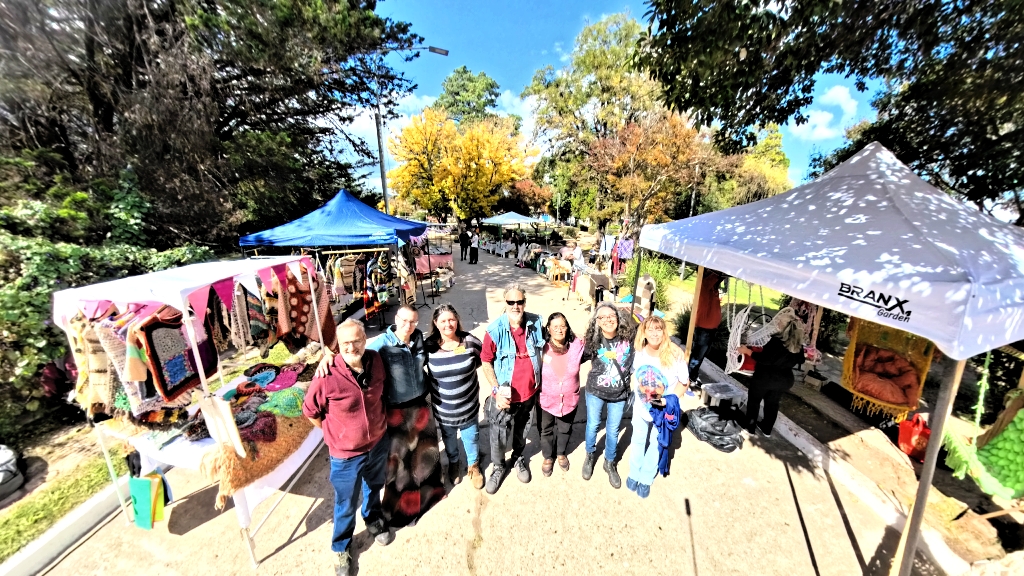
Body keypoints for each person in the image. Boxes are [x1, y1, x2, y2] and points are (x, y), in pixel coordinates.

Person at [316, 306, 444, 527]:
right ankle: (405, 509)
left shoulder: (418, 338)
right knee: (401, 463)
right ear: (396, 319)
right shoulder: (381, 344)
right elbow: (352, 352)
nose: (408, 326)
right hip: (396, 411)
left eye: (413, 322)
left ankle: (431, 495)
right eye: (404, 321)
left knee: (426, 452)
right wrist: (328, 356)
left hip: (420, 406)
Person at [303, 320, 392, 575]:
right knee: (346, 502)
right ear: (337, 346)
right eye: (345, 343)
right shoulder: (327, 374)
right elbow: (310, 411)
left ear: (365, 339)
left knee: (374, 486)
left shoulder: (376, 360)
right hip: (345, 456)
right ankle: (341, 546)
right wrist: (332, 432)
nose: (351, 347)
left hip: (377, 442)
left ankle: (373, 518)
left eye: (356, 340)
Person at [480, 282, 544, 494]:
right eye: (511, 302)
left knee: (522, 429)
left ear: (525, 302)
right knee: (498, 433)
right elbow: (486, 361)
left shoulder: (535, 323)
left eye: (520, 301)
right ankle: (498, 466)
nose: (516, 306)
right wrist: (496, 391)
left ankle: (517, 457)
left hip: (529, 393)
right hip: (504, 397)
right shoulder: (495, 330)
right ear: (505, 303)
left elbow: (550, 343)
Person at [425, 304, 485, 489]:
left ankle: (473, 466)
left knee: (471, 437)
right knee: (449, 439)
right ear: (435, 323)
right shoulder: (428, 347)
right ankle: (453, 463)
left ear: (457, 320)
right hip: (444, 411)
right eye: (443, 321)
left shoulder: (469, 341)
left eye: (451, 319)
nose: (448, 324)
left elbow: (483, 361)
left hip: (468, 407)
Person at [626, 316, 687, 498]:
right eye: (650, 329)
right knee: (637, 439)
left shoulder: (674, 355)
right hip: (641, 406)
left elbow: (684, 382)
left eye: (658, 329)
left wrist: (669, 400)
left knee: (655, 443)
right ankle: (634, 472)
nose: (654, 333)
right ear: (643, 332)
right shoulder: (639, 353)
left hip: (662, 410)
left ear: (664, 332)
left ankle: (645, 478)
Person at [581, 302, 636, 489]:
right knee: (593, 425)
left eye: (611, 316)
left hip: (619, 393)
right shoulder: (592, 341)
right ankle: (589, 455)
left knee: (613, 430)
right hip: (595, 391)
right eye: (602, 317)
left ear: (618, 317)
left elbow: (654, 334)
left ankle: (609, 461)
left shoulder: (630, 337)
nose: (607, 320)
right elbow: (573, 356)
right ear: (596, 321)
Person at [738, 309, 806, 438]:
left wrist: (747, 351)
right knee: (772, 403)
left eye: (779, 322)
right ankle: (767, 429)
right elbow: (801, 359)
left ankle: (750, 427)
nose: (777, 324)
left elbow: (765, 358)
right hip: (784, 380)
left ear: (784, 326)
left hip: (765, 377)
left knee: (754, 401)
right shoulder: (797, 344)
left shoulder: (776, 341)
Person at [537, 312, 586, 476]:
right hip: (546, 400)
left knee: (565, 429)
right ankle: (547, 457)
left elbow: (594, 341)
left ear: (568, 328)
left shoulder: (577, 346)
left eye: (562, 326)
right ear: (548, 329)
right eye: (555, 326)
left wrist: (582, 336)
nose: (559, 329)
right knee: (546, 430)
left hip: (570, 399)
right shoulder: (540, 347)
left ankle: (561, 453)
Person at [688, 269, 726, 388]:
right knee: (696, 357)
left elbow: (719, 277)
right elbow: (715, 275)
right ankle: (688, 380)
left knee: (700, 356)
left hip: (710, 330)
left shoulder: (712, 290)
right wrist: (716, 273)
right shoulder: (704, 286)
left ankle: (692, 376)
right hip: (704, 330)